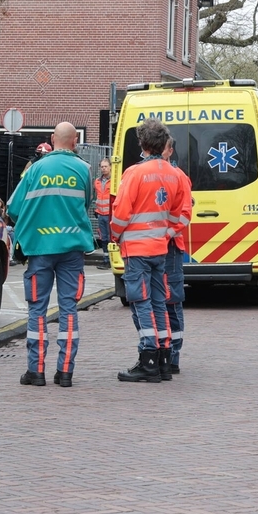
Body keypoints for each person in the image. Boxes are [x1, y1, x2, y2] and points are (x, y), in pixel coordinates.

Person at [6, 122, 95, 388]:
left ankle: (36, 371)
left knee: (38, 310)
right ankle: (65, 372)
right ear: (74, 142)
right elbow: (87, 203)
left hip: (40, 249)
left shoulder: (35, 169)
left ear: (53, 139)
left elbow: (13, 207)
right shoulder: (85, 170)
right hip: (72, 249)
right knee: (69, 309)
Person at [111, 119, 185, 383]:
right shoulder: (174, 174)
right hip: (160, 248)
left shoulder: (134, 173)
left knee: (140, 303)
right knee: (158, 302)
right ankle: (164, 359)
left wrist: (115, 235)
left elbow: (120, 213)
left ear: (142, 144)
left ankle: (149, 360)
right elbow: (178, 213)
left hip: (136, 248)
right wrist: (166, 232)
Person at [161, 137, 192, 377]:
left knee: (172, 299)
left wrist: (169, 234)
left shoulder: (178, 176)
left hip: (169, 246)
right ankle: (161, 352)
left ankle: (173, 355)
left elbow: (185, 213)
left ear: (171, 150)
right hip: (154, 246)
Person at [93, 158, 112, 269]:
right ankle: (105, 259)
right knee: (103, 238)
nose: (104, 169)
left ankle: (111, 259)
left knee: (110, 238)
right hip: (101, 214)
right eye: (102, 167)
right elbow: (98, 197)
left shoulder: (115, 181)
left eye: (105, 166)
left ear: (110, 167)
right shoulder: (97, 182)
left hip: (110, 214)